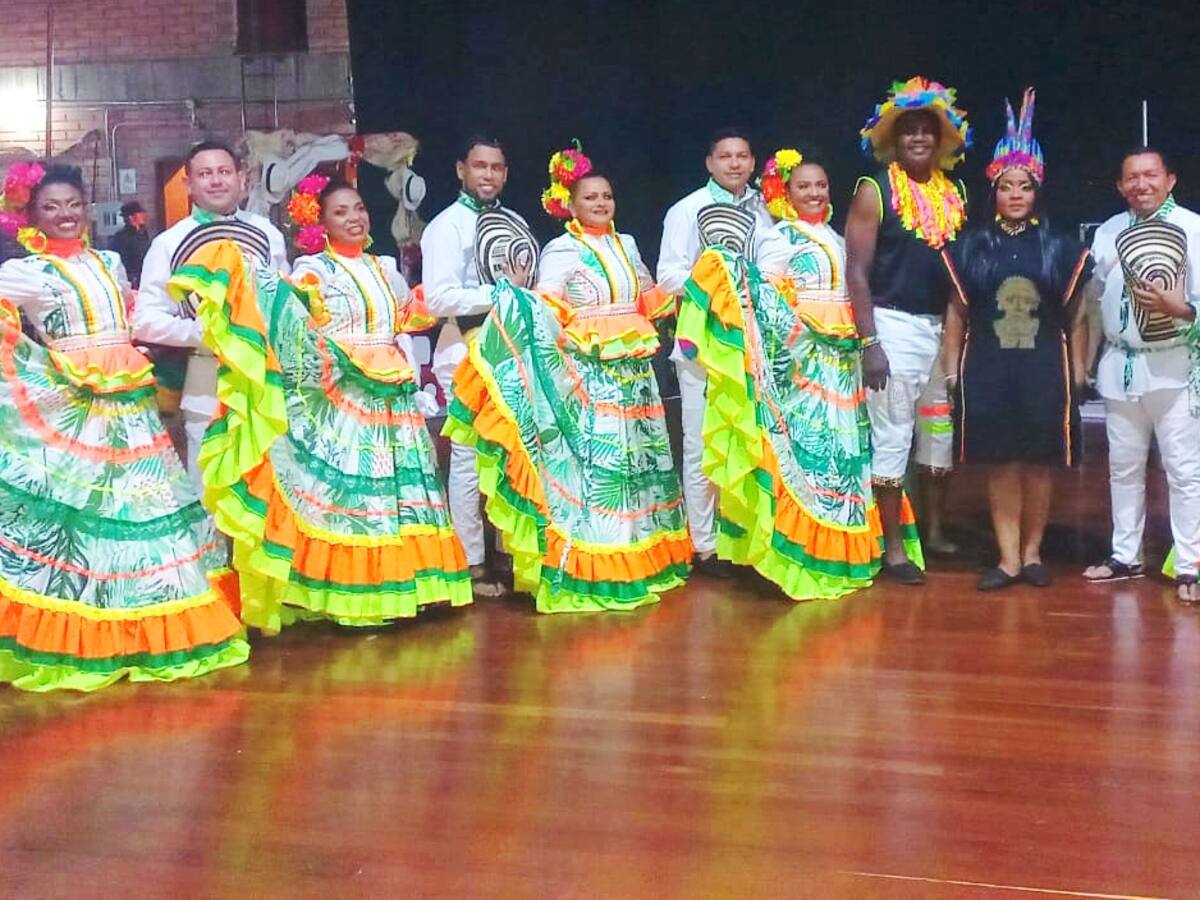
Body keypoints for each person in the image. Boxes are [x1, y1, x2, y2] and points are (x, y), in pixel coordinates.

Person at [165, 178, 471, 632]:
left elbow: (408, 313)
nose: (354, 218)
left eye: (359, 208)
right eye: (340, 212)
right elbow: (289, 316)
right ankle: (359, 595)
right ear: (322, 223)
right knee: (355, 497)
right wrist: (241, 270)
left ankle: (410, 587)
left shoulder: (385, 268)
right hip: (346, 396)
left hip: (393, 398)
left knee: (399, 494)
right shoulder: (314, 272)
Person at [0, 163, 248, 691]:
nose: (65, 215)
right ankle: (92, 628)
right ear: (33, 215)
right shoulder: (27, 271)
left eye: (73, 204)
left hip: (132, 406)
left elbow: (134, 319)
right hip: (79, 405)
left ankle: (153, 621)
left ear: (87, 209)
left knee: (146, 507)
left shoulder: (109, 261)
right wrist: (29, 362)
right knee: (89, 516)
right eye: (51, 207)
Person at [444, 146, 692, 613]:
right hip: (594, 376)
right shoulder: (562, 249)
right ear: (571, 205)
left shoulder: (627, 243)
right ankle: (597, 562)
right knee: (604, 469)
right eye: (590, 198)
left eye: (606, 196)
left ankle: (640, 556)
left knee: (638, 466)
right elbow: (546, 307)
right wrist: (516, 300)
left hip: (634, 373)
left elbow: (647, 295)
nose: (600, 203)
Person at [677, 148, 921, 598]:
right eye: (803, 186)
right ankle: (798, 555)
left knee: (842, 458)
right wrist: (799, 343)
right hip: (804, 367)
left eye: (821, 185)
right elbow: (767, 303)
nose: (814, 193)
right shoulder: (780, 238)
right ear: (785, 192)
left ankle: (844, 552)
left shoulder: (838, 238)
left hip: (842, 366)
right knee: (807, 459)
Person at [941, 89, 1092, 591]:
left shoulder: (1060, 248)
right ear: (994, 191)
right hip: (987, 368)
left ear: (1037, 191)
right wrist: (950, 372)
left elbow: (1077, 316)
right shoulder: (972, 247)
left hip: (1044, 368)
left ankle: (1032, 554)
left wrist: (1078, 371)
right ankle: (1007, 558)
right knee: (1002, 463)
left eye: (1024, 187)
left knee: (1039, 464)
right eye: (1007, 187)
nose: (1015, 195)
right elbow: (957, 313)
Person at [845, 76, 971, 584]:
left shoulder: (956, 192)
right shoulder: (874, 190)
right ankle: (893, 548)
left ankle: (934, 533)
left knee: (939, 432)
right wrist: (870, 341)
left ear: (940, 140)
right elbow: (856, 271)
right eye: (909, 130)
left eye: (926, 131)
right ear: (893, 140)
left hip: (942, 327)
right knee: (893, 434)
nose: (918, 138)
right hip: (892, 325)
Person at [657, 127, 790, 578]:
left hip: (751, 341)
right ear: (709, 163)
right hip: (705, 340)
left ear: (752, 163)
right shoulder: (687, 209)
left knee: (747, 438)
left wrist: (751, 281)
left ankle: (741, 539)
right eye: (726, 156)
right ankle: (704, 545)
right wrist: (719, 281)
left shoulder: (762, 209)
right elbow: (668, 276)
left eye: (743, 156)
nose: (735, 164)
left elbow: (776, 260)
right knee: (700, 440)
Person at [133, 140, 289, 491]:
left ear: (241, 178)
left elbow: (283, 304)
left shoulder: (268, 234)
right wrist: (207, 333)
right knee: (211, 489)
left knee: (270, 486)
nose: (216, 181)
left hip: (265, 379)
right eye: (205, 174)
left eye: (224, 171)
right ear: (188, 183)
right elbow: (146, 321)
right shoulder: (170, 243)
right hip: (206, 379)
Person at [1081, 148, 1200, 603]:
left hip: (1175, 364)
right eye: (1132, 177)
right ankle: (1126, 555)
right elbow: (1094, 302)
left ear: (1170, 180)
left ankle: (1189, 564)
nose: (1141, 184)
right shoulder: (1108, 232)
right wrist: (1087, 359)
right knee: (1123, 467)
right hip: (1121, 366)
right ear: (1120, 185)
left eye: (1151, 175)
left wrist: (1180, 309)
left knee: (1183, 469)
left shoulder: (1192, 229)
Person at [420, 136, 536, 598]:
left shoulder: (515, 222)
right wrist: (503, 294)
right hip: (465, 351)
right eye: (480, 166)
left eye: (496, 167)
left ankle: (510, 552)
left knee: (513, 452)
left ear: (505, 174)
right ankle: (471, 562)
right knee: (469, 458)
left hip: (511, 349)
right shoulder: (446, 226)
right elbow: (438, 299)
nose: (488, 174)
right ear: (461, 170)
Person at [108, 200, 151, 288]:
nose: (144, 216)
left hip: (145, 276)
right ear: (132, 217)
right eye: (140, 214)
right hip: (132, 280)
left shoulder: (143, 233)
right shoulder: (121, 237)